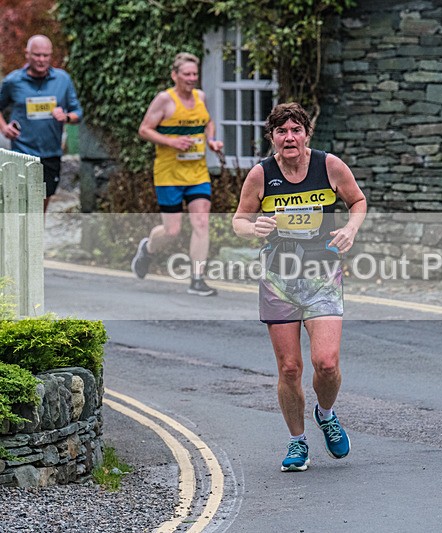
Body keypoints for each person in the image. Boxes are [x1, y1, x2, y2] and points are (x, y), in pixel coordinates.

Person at [232, 102, 366, 472]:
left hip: (323, 273)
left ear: (306, 134)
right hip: (279, 278)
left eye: (295, 130)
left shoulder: (329, 166)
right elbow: (240, 219)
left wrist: (351, 229)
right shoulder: (261, 175)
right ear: (272, 137)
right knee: (289, 368)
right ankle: (297, 442)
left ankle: (326, 413)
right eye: (281, 131)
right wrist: (252, 227)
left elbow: (357, 201)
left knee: (326, 362)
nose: (289, 137)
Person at [131, 52, 223, 296]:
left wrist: (211, 141)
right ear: (175, 75)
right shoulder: (164, 100)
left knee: (202, 222)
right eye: (187, 74)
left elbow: (207, 123)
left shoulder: (200, 96)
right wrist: (171, 142)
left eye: (195, 74)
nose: (192, 78)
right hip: (169, 174)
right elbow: (144, 129)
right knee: (172, 231)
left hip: (197, 173)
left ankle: (197, 279)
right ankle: (148, 249)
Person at [0, 35, 83, 212]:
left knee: (40, 206)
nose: (41, 60)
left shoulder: (62, 80)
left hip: (50, 153)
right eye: (37, 55)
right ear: (27, 54)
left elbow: (78, 113)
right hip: (22, 153)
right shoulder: (13, 81)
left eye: (46, 55)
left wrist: (66, 117)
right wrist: (4, 127)